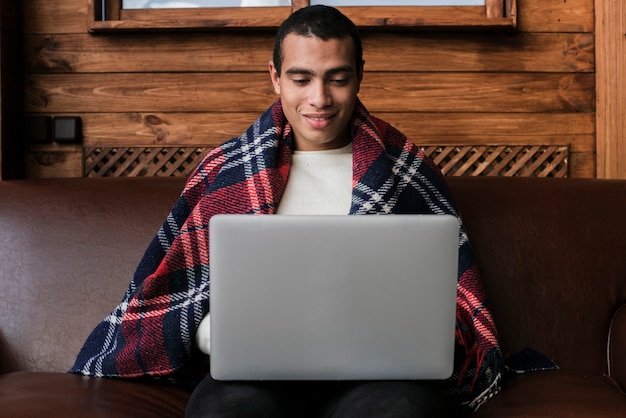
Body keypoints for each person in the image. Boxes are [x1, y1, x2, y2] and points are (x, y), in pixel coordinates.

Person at [71, 5, 502, 417]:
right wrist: (214, 334)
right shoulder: (226, 169)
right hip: (255, 376)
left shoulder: (405, 167)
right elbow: (172, 293)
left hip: (377, 376)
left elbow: (454, 301)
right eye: (302, 79)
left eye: (337, 79)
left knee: (405, 411)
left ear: (359, 78)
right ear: (275, 78)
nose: (320, 99)